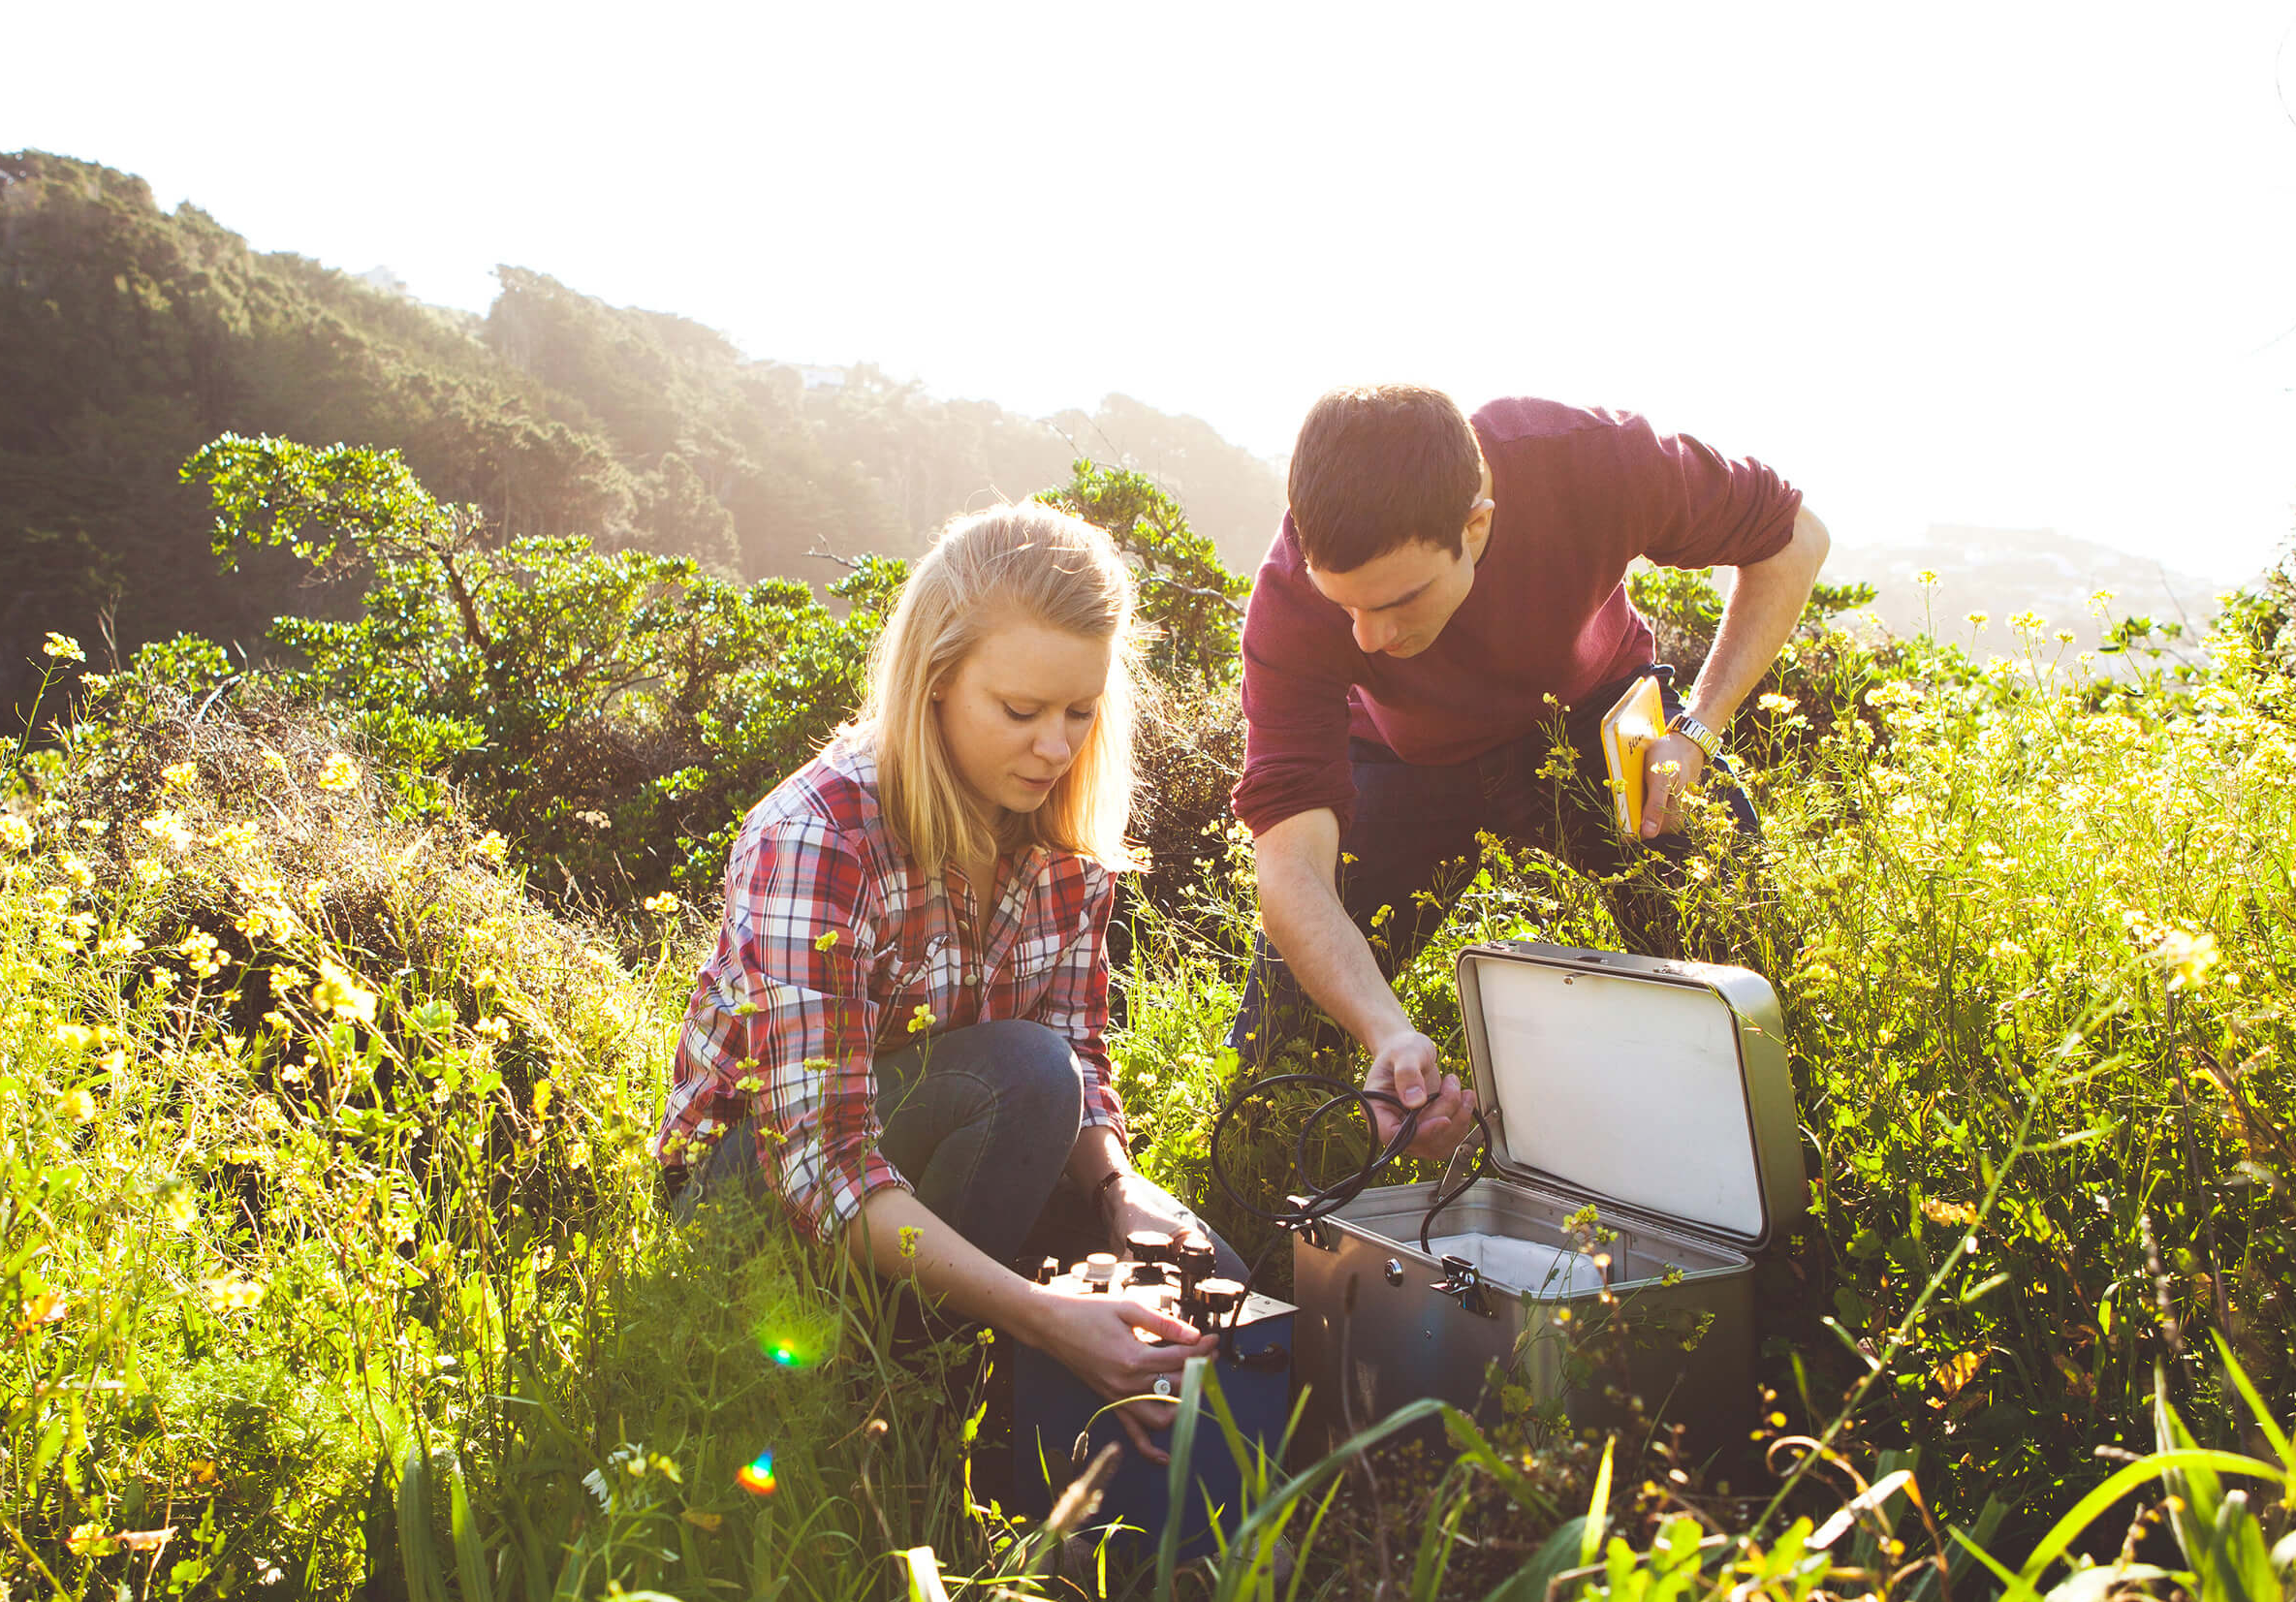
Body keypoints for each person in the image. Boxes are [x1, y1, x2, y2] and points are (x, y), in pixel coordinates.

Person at [658, 500, 1239, 1461]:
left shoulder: (1060, 820)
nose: (1056, 748)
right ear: (932, 685)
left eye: (1079, 712)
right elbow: (823, 1163)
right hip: (758, 1199)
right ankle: (889, 1400)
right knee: (1021, 1075)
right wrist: (1040, 1315)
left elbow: (1078, 1044)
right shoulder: (819, 838)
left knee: (1205, 1277)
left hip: (961, 1158)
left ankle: (1103, 1499)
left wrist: (1115, 1183)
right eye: (1020, 712)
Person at [1232, 386, 1829, 1157]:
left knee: (1753, 966)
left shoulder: (1591, 460)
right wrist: (1386, 1032)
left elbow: (1795, 536)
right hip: (1400, 760)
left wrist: (1697, 731)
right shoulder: (1287, 600)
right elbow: (1288, 867)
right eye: (1344, 607)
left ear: (1475, 526)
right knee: (1273, 1060)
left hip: (1590, 720)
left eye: (1398, 600)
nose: (1369, 639)